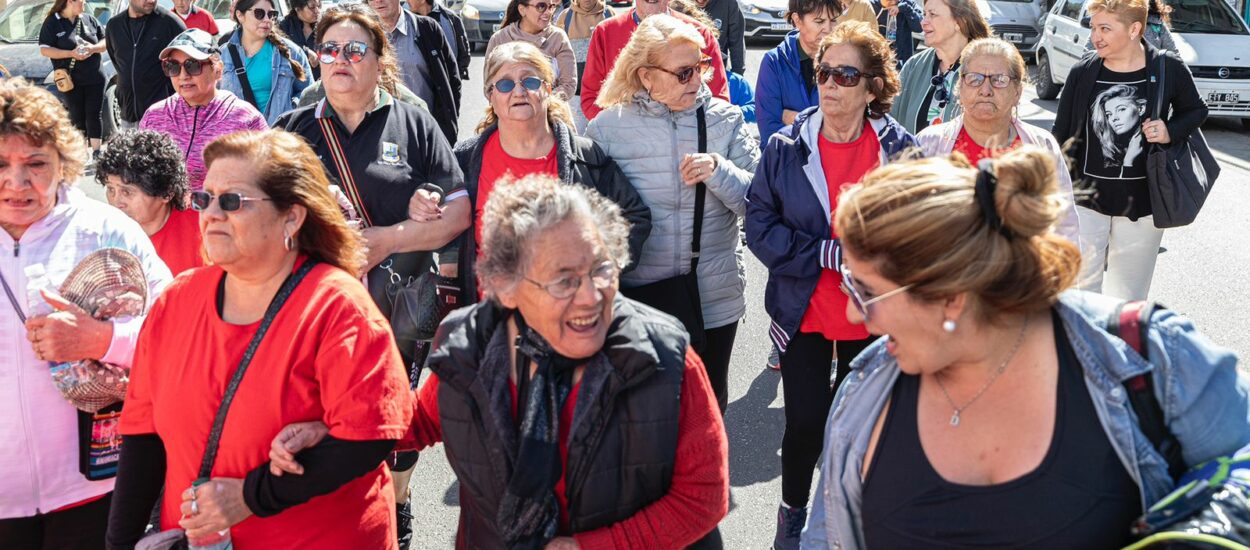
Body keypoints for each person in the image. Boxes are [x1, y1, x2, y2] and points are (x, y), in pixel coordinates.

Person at [801, 148, 1250, 549]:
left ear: (950, 295)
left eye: (863, 291)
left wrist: (1205, 536)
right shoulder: (863, 391)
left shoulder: (1148, 354)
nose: (856, 315)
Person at [268, 175, 731, 550]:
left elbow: (703, 499)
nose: (592, 297)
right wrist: (333, 429)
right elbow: (423, 418)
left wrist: (596, 546)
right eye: (563, 281)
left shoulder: (666, 359)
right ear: (505, 286)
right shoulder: (469, 345)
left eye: (601, 269)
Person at [104, 130, 414, 550]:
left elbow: (370, 436)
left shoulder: (338, 306)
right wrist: (119, 543)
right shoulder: (178, 299)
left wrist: (252, 497)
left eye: (232, 201)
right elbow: (144, 436)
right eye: (204, 198)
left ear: (292, 217)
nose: (211, 213)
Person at [274, 4, 470, 546]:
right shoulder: (292, 131)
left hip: (397, 311)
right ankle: (331, 520)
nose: (340, 60)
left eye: (355, 49)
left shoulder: (414, 121)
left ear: (379, 59)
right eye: (330, 49)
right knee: (318, 420)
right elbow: (260, 217)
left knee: (394, 421)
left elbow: (457, 213)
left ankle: (395, 510)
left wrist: (389, 239)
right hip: (313, 312)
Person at [743, 21, 915, 550]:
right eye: (824, 72)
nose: (831, 84)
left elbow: (918, 228)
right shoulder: (785, 145)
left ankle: (847, 516)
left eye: (845, 74)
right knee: (805, 427)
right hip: (805, 313)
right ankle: (792, 514)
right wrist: (821, 252)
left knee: (862, 431)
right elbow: (758, 225)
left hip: (874, 317)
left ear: (872, 86)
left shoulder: (900, 149)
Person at [0, 78, 171, 550]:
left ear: (64, 166)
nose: (17, 183)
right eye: (1, 164)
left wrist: (103, 339)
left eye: (35, 165)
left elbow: (177, 337)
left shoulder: (106, 229)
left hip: (94, 487)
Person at [587, 14, 759, 417]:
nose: (697, 82)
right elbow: (590, 219)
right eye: (683, 73)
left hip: (712, 295)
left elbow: (760, 205)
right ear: (646, 76)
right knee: (644, 416)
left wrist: (721, 172)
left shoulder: (726, 119)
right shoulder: (606, 129)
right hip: (638, 297)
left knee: (707, 409)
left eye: (699, 68)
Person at [439, 41, 652, 300]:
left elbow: (634, 217)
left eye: (530, 82)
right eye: (505, 84)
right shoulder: (464, 159)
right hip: (491, 320)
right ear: (491, 96)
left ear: (547, 89)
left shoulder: (585, 156)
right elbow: (447, 227)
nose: (518, 92)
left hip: (569, 317)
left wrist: (594, 270)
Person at [1051, 0, 1205, 301]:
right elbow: (1060, 134)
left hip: (1143, 206)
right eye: (1094, 27)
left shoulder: (1167, 68)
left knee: (1128, 300)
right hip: (1084, 203)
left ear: (1135, 29)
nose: (1096, 36)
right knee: (1081, 296)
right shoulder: (1083, 72)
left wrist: (1168, 130)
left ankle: (1119, 349)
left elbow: (1196, 110)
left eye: (1105, 28)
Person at [915, 37, 1080, 243]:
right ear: (960, 87)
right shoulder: (928, 144)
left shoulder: (1041, 146)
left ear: (1018, 92)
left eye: (999, 79)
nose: (985, 89)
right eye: (974, 79)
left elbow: (1065, 225)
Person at [140, 28, 269, 192]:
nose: (183, 75)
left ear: (218, 70)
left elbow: (270, 180)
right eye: (173, 66)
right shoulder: (154, 115)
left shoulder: (246, 119)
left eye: (193, 65)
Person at [579, 0, 729, 121]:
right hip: (623, 150)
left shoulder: (700, 34)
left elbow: (719, 101)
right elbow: (591, 99)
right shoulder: (605, 32)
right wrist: (622, 133)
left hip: (685, 148)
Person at [94, 130, 203, 276]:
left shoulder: (205, 224)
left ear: (166, 193)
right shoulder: (100, 234)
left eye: (127, 192)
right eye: (110, 189)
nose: (116, 202)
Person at [370, 0, 462, 144]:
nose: (378, 1)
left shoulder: (427, 28)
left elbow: (452, 81)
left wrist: (448, 126)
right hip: (379, 136)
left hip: (427, 134)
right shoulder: (359, 37)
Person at [891, 0, 989, 133]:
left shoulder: (986, 70)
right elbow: (892, 123)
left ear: (959, 22)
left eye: (932, 14)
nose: (923, 22)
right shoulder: (914, 66)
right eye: (925, 14)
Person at [754, 0, 841, 139]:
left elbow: (849, 125)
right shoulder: (774, 62)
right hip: (786, 159)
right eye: (819, 21)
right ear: (797, 20)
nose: (828, 29)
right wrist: (820, 127)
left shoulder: (845, 63)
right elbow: (770, 133)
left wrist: (796, 118)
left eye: (833, 20)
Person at [219, 0, 313, 125]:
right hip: (238, 138)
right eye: (259, 13)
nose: (267, 19)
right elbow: (213, 99)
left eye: (271, 14)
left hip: (279, 136)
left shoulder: (292, 52)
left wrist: (290, 111)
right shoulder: (223, 55)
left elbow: (308, 94)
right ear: (240, 15)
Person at [39, 0, 108, 153]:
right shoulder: (52, 22)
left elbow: (106, 41)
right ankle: (81, 154)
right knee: (77, 116)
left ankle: (97, 152)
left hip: (95, 76)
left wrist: (93, 48)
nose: (84, 5)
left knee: (94, 114)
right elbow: (45, 50)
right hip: (70, 80)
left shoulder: (89, 19)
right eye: (82, 2)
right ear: (70, 2)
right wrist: (70, 54)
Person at [105, 0, 185, 128]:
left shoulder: (170, 23)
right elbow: (118, 64)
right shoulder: (114, 26)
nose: (151, 1)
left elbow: (187, 66)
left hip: (162, 117)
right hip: (128, 116)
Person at [486, 0, 578, 100]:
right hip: (508, 112)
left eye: (551, 7)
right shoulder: (500, 39)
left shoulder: (558, 37)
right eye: (541, 6)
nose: (548, 12)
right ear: (522, 10)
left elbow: (568, 84)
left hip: (548, 112)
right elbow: (489, 87)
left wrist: (542, 104)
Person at [555, 0, 615, 129]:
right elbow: (557, 54)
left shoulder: (609, 14)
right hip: (576, 96)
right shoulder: (566, 17)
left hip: (604, 95)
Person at [409, 0, 471, 81]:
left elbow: (464, 54)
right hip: (417, 87)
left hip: (446, 86)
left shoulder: (450, 18)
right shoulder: (407, 19)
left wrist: (455, 79)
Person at [692, 0, 745, 76]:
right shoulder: (678, 4)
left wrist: (737, 75)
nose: (700, 1)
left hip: (716, 73)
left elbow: (737, 44)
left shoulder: (729, 4)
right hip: (684, 74)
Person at [278, 0, 322, 80]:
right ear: (297, 8)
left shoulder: (323, 27)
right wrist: (305, 51)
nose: (317, 11)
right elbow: (279, 48)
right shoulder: (284, 27)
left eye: (318, 6)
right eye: (312, 7)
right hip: (295, 82)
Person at [879, 0, 923, 66]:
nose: (893, 2)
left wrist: (904, 8)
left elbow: (919, 27)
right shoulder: (872, 5)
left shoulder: (906, 4)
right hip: (880, 60)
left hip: (902, 60)